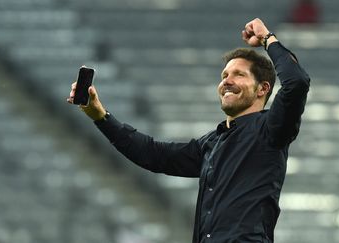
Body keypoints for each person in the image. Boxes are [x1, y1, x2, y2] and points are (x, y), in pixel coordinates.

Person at [67, 18, 310, 243]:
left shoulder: (271, 128)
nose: (227, 80)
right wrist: (101, 116)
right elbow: (154, 155)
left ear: (262, 89)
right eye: (224, 75)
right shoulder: (212, 142)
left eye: (239, 74)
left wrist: (268, 38)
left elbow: (296, 81)